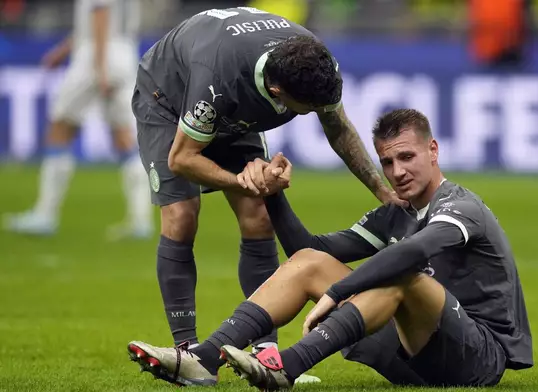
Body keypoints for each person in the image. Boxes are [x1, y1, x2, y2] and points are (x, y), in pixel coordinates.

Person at [126, 108, 533, 388]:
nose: (397, 172)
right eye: (387, 163)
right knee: (309, 262)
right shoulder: (395, 213)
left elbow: (411, 254)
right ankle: (205, 359)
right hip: (414, 357)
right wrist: (272, 193)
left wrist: (338, 293)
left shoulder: (460, 206)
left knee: (402, 275)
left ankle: (286, 366)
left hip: (477, 357)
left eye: (407, 157)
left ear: (433, 150)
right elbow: (308, 252)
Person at [126, 4, 402, 380]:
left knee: (258, 216)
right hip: (169, 97)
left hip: (233, 104)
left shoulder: (314, 62)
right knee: (182, 216)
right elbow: (182, 158)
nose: (311, 114)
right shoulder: (219, 78)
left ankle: (265, 351)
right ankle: (187, 355)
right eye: (305, 110)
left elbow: (337, 127)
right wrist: (243, 180)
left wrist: (383, 192)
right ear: (277, 91)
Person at [4, 0, 152, 240]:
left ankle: (45, 214)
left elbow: (101, 13)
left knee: (59, 127)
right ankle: (140, 221)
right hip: (124, 54)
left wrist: (101, 68)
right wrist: (63, 50)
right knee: (124, 137)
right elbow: (98, 21)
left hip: (95, 56)